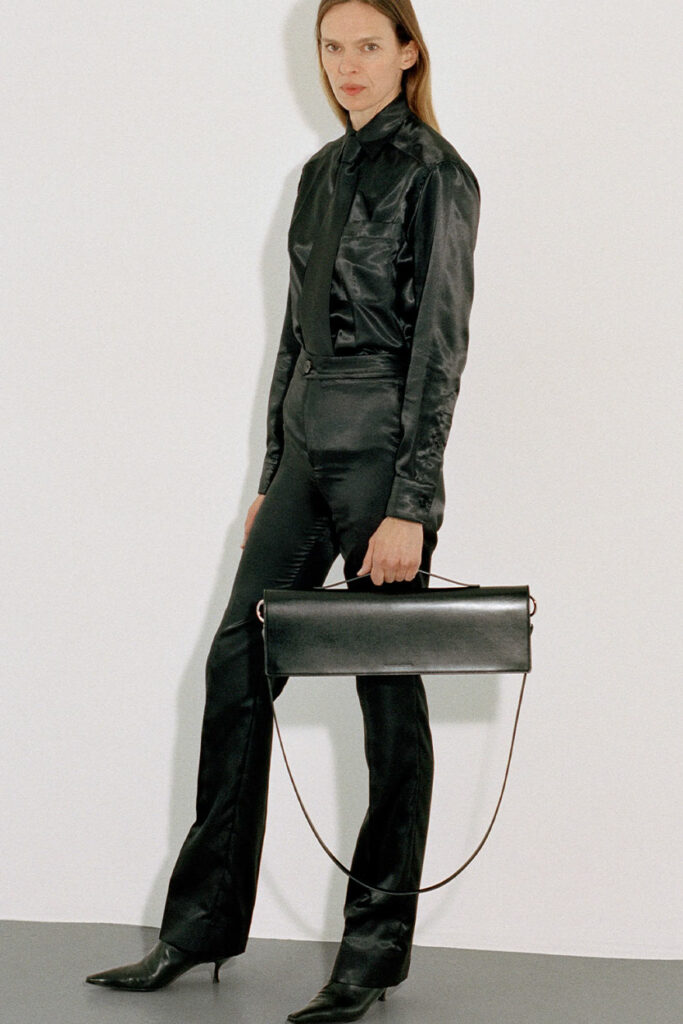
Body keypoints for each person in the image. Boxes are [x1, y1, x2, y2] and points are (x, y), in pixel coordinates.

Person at [85, 1, 480, 1021]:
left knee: (386, 703)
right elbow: (296, 335)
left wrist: (411, 501)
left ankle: (372, 954)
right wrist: (272, 466)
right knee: (235, 668)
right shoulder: (319, 173)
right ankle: (200, 925)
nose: (346, 65)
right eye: (331, 47)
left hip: (382, 451)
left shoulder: (436, 175)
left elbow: (438, 347)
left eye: (367, 45)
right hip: (305, 449)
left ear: (407, 53)